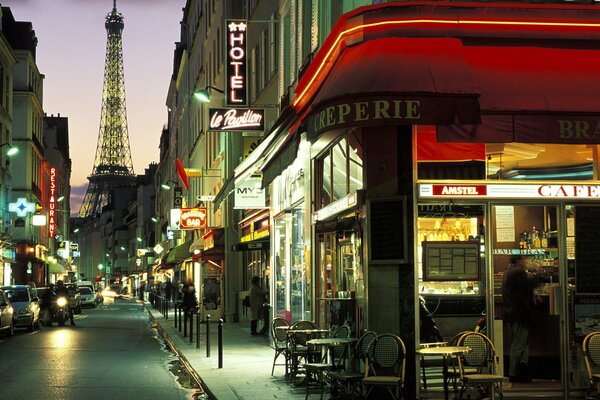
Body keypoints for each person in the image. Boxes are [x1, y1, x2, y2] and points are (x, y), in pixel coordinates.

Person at [502, 255, 541, 382]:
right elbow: (530, 284)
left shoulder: (509, 271)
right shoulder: (517, 272)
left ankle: (521, 371)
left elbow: (522, 289)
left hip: (512, 312)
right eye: (524, 260)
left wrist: (532, 295)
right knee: (519, 344)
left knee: (521, 343)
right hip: (519, 312)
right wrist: (537, 271)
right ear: (518, 261)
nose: (526, 262)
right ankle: (514, 373)